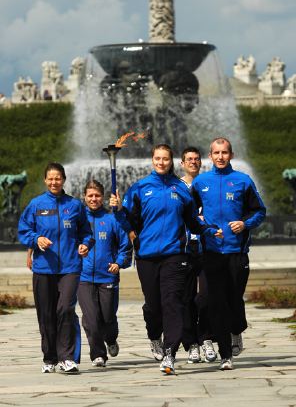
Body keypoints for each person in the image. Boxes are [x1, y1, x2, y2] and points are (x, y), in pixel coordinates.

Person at [110, 143, 223, 375]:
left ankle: (170, 354)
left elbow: (193, 221)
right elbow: (127, 221)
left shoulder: (181, 189)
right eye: (157, 158)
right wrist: (119, 209)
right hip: (147, 256)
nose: (161, 162)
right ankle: (154, 336)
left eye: (165, 159)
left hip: (174, 255)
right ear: (152, 160)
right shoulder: (140, 188)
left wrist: (209, 230)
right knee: (153, 306)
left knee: (173, 303)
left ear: (171, 161)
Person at [191, 137, 266, 371]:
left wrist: (244, 224)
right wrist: (201, 223)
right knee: (217, 302)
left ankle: (237, 330)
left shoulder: (243, 181)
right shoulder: (201, 182)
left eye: (224, 153)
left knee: (234, 298)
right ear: (210, 156)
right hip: (212, 251)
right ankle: (226, 354)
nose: (220, 157)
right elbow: (189, 213)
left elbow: (260, 211)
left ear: (231, 155)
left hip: (237, 252)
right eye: (216, 153)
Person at [18, 162, 94, 374]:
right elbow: (24, 231)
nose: (54, 182)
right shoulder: (36, 205)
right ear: (45, 180)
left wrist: (85, 244)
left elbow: (87, 233)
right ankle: (49, 357)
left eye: (58, 178)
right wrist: (36, 239)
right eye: (50, 179)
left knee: (66, 309)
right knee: (46, 314)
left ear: (64, 180)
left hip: (70, 266)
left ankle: (67, 357)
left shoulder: (75, 205)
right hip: (44, 268)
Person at [77, 180, 132, 368]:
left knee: (108, 317)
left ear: (103, 197)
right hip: (83, 277)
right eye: (90, 195)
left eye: (97, 195)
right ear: (84, 196)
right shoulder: (78, 219)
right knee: (90, 318)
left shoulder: (112, 220)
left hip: (107, 276)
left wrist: (119, 263)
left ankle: (111, 339)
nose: (94, 199)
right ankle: (98, 354)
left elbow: (125, 246)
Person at [180, 147, 217, 364]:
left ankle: (207, 338)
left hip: (206, 247)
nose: (193, 162)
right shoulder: (176, 186)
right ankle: (191, 343)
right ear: (182, 163)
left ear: (201, 162)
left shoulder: (207, 185)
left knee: (205, 297)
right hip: (183, 248)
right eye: (189, 159)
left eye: (196, 159)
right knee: (185, 299)